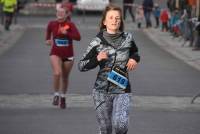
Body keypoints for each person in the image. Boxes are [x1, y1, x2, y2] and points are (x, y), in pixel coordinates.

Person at [78, 4, 140, 134]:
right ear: (105, 22)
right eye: (111, 17)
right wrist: (97, 59)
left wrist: (134, 58)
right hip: (101, 92)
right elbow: (81, 65)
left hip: (123, 89)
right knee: (105, 129)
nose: (114, 20)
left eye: (117, 18)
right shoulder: (97, 42)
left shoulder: (128, 38)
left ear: (121, 21)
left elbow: (135, 52)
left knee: (120, 125)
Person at [46, 7, 81, 109]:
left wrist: (68, 34)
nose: (60, 14)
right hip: (55, 53)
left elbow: (78, 37)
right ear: (56, 13)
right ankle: (56, 94)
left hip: (68, 55)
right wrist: (48, 41)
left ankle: (63, 97)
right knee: (57, 73)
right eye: (58, 12)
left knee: (65, 77)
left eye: (62, 12)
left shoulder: (70, 25)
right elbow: (47, 36)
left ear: (66, 14)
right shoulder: (51, 24)